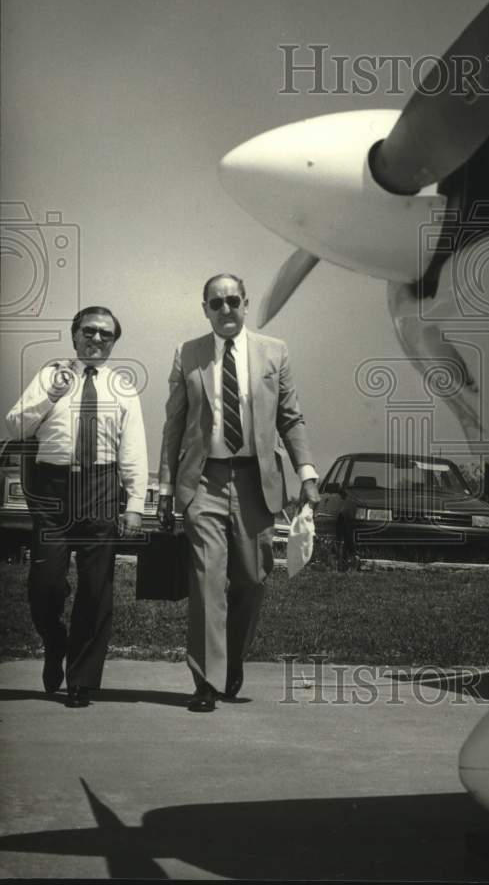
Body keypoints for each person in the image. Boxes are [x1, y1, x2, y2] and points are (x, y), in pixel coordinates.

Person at [157, 274, 319, 713]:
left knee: (251, 578)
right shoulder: (187, 353)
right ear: (205, 308)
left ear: (245, 304)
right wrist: (166, 486)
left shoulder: (274, 351)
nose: (225, 310)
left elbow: (291, 417)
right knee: (208, 579)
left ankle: (231, 658)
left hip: (255, 480)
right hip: (202, 480)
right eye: (216, 303)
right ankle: (206, 680)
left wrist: (306, 473)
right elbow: (175, 423)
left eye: (233, 301)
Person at [5, 306, 148, 707]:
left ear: (114, 342)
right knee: (44, 585)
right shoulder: (50, 376)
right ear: (74, 334)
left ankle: (82, 680)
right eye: (90, 331)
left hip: (100, 488)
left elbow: (132, 449)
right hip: (52, 490)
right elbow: (14, 426)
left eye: (107, 334)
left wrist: (134, 503)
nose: (97, 339)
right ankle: (55, 642)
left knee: (96, 588)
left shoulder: (123, 388)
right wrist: (50, 395)